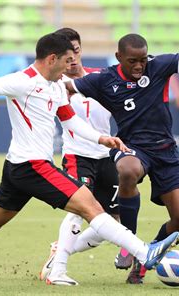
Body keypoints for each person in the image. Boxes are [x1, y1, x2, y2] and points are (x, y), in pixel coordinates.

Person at [0, 33, 179, 289]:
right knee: (90, 206)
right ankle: (144, 252)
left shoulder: (56, 87)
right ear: (51, 58)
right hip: (32, 166)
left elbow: (70, 120)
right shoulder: (22, 81)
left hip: (19, 167)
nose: (70, 67)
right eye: (65, 61)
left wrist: (101, 138)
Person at [65, 33, 179, 284]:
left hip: (166, 152)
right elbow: (67, 87)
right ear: (119, 58)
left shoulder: (158, 66)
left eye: (143, 60)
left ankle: (144, 260)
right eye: (132, 61)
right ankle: (129, 244)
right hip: (132, 146)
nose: (139, 66)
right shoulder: (104, 80)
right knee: (127, 170)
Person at [38, 28, 120, 286]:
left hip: (106, 157)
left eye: (76, 50)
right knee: (78, 209)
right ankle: (58, 270)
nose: (72, 57)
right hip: (77, 156)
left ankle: (60, 249)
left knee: (110, 225)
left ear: (81, 50)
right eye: (67, 53)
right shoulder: (55, 87)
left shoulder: (102, 78)